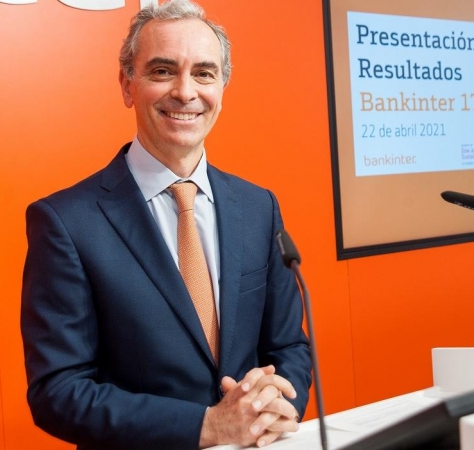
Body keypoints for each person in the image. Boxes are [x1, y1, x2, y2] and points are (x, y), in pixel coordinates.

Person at [20, 1, 313, 449]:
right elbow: (58, 391)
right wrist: (207, 426)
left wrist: (276, 405)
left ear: (223, 86)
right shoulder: (66, 222)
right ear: (127, 84)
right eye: (162, 71)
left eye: (204, 73)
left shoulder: (258, 207)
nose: (185, 91)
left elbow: (289, 347)